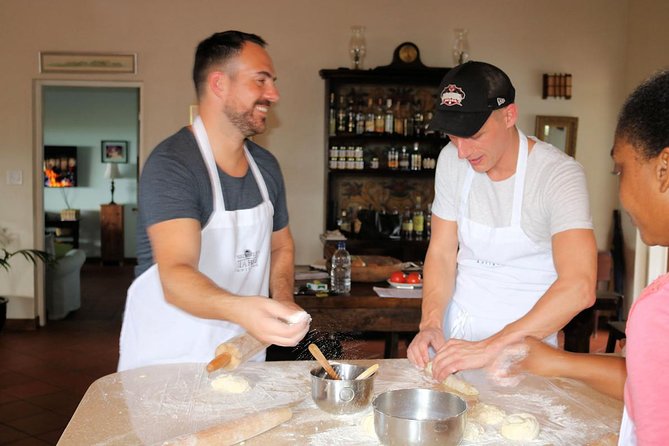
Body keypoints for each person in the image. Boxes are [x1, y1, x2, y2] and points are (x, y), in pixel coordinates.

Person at [118, 31, 310, 371]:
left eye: (273, 82)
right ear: (219, 84)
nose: (274, 94)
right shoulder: (173, 165)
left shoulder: (265, 167)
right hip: (166, 365)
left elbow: (281, 247)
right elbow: (176, 276)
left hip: (243, 359)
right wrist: (244, 309)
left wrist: (282, 302)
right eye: (260, 81)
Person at [407, 61, 597, 381]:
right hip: (455, 342)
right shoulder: (451, 162)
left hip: (527, 353)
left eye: (474, 135)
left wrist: (490, 347)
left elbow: (579, 286)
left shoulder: (558, 175)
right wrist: (431, 324)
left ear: (509, 115)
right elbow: (441, 252)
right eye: (454, 137)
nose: (463, 151)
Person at [516, 70, 669, 445]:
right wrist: (558, 362)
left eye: (621, 169)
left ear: (665, 169)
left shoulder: (659, 312)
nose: (620, 191)